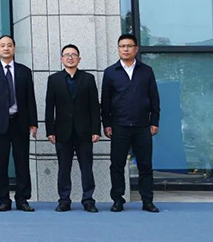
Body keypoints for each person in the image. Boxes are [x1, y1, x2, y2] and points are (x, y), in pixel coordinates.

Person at [102, 33, 161, 213]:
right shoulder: (110, 72)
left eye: (129, 46)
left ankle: (147, 201)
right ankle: (117, 200)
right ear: (118, 49)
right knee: (117, 165)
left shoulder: (146, 71)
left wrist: (154, 121)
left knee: (145, 165)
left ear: (136, 49)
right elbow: (105, 101)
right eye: (122, 46)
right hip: (119, 126)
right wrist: (107, 124)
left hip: (143, 126)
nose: (125, 49)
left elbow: (154, 98)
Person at [0, 35, 37, 212]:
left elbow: (30, 99)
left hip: (20, 123)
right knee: (0, 163)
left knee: (22, 162)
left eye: (9, 45)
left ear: (14, 48)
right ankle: (3, 199)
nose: (6, 48)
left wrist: (33, 122)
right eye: (2, 45)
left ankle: (22, 199)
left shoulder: (24, 71)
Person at [45, 44, 101, 213]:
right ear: (62, 59)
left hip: (84, 131)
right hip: (62, 132)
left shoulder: (88, 78)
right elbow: (49, 107)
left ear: (79, 59)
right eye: (67, 55)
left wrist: (96, 130)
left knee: (87, 168)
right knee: (63, 168)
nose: (70, 57)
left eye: (73, 55)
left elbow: (94, 106)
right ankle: (64, 200)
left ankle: (88, 200)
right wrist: (50, 131)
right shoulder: (54, 79)